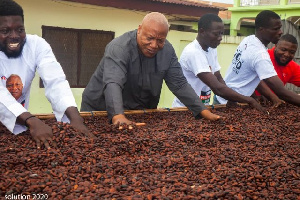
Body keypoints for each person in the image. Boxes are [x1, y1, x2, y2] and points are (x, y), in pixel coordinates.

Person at [81, 12, 222, 125]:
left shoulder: (167, 51)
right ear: (139, 30)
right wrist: (117, 116)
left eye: (160, 40)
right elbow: (113, 82)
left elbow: (179, 84)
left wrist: (203, 111)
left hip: (137, 111)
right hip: (101, 108)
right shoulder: (119, 48)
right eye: (150, 38)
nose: (154, 45)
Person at [0, 0, 94, 149]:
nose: (14, 36)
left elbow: (55, 81)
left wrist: (75, 118)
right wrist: (32, 121)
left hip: (20, 125)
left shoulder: (36, 45)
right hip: (23, 120)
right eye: (5, 31)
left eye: (20, 29)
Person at [172, 14, 264, 112]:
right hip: (185, 109)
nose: (220, 38)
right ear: (202, 31)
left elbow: (218, 78)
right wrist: (249, 100)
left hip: (202, 108)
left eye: (221, 33)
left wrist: (231, 99)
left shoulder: (211, 48)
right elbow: (217, 88)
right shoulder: (193, 52)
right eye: (216, 34)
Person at [215, 10, 300, 107]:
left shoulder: (249, 39)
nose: (280, 32)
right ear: (261, 29)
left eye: (280, 28)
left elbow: (251, 75)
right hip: (229, 104)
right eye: (276, 29)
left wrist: (271, 97)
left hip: (227, 99)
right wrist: (275, 97)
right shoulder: (260, 55)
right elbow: (281, 91)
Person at [253, 34, 300, 104]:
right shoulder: (262, 58)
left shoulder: (292, 66)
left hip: (274, 105)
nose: (287, 54)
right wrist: (273, 97)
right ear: (276, 46)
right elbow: (254, 81)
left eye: (292, 52)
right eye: (283, 50)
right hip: (249, 102)